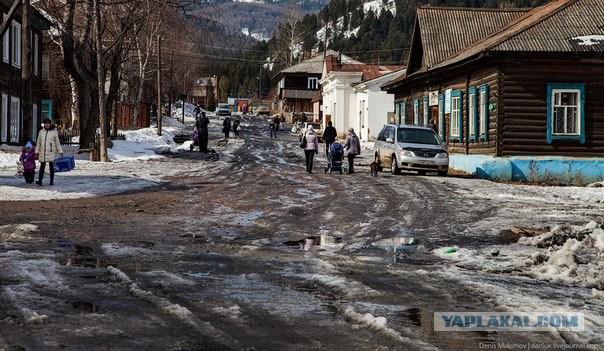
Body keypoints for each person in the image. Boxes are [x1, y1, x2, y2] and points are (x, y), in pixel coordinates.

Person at [35, 118, 63, 186]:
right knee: (42, 167)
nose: (47, 125)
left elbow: (57, 142)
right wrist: (37, 151)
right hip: (43, 152)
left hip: (51, 151)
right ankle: (40, 180)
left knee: (51, 167)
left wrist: (60, 151)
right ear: (44, 124)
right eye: (45, 123)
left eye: (48, 123)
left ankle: (51, 180)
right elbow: (38, 142)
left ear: (50, 124)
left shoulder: (54, 132)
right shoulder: (41, 132)